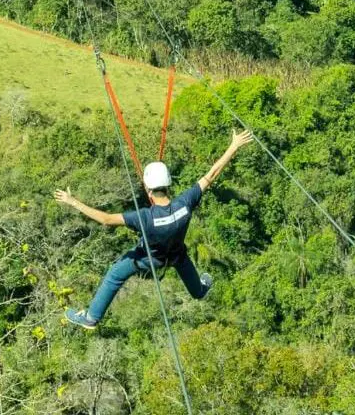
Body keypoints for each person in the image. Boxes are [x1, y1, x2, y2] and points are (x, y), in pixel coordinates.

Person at [54, 130, 254, 329]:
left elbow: (106, 219)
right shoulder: (185, 204)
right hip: (176, 256)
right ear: (168, 185)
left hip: (148, 259)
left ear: (148, 190)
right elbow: (211, 174)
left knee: (115, 274)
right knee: (186, 267)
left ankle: (91, 317)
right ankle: (199, 290)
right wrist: (233, 146)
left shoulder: (145, 217)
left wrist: (73, 202)